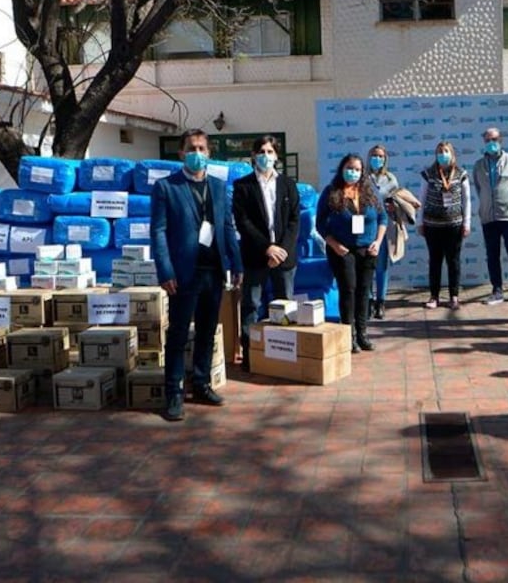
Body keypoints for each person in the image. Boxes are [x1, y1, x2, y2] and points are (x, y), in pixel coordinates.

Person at [151, 128, 243, 421]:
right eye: (192, 148)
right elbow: (159, 231)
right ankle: (174, 394)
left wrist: (236, 263)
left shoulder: (217, 186)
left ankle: (202, 384)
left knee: (206, 331)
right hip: (182, 273)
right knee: (178, 334)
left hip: (213, 271)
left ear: (209, 153)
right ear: (181, 153)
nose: (197, 153)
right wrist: (164, 269)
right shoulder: (167, 187)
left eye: (202, 148)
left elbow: (227, 226)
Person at [232, 135, 300, 373]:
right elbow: (243, 222)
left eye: (270, 152)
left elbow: (294, 221)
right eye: (261, 151)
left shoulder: (288, 185)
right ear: (253, 155)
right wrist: (266, 247)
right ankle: (251, 356)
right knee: (251, 305)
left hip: (284, 257)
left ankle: (284, 355)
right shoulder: (243, 186)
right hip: (255, 256)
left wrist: (280, 250)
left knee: (285, 307)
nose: (265, 156)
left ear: (277, 156)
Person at [316, 154, 388, 352]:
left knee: (364, 291)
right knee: (348, 289)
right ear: (341, 169)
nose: (353, 172)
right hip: (342, 250)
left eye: (357, 169)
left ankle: (362, 334)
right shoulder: (331, 192)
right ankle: (349, 335)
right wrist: (333, 244)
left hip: (368, 249)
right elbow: (320, 223)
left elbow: (382, 218)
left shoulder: (369, 191)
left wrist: (378, 242)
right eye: (349, 168)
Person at [472, 127, 508, 305]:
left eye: (494, 139)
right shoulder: (478, 165)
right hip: (489, 217)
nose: (491, 143)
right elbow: (480, 190)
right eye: (487, 140)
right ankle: (497, 290)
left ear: (500, 140)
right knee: (492, 254)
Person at [417, 141, 471, 310]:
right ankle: (434, 296)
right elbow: (421, 199)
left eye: (446, 151)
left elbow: (467, 200)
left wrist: (467, 222)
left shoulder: (461, 173)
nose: (443, 155)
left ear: (452, 154)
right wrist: (420, 222)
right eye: (440, 152)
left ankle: (454, 296)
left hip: (454, 225)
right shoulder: (428, 174)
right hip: (432, 225)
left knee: (453, 261)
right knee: (435, 261)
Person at [367, 145, 399, 319]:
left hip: (383, 228)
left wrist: (393, 206)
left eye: (380, 156)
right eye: (374, 156)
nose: (377, 159)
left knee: (381, 266)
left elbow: (398, 202)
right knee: (366, 267)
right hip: (365, 228)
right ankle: (369, 301)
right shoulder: (363, 177)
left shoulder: (391, 179)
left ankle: (381, 301)